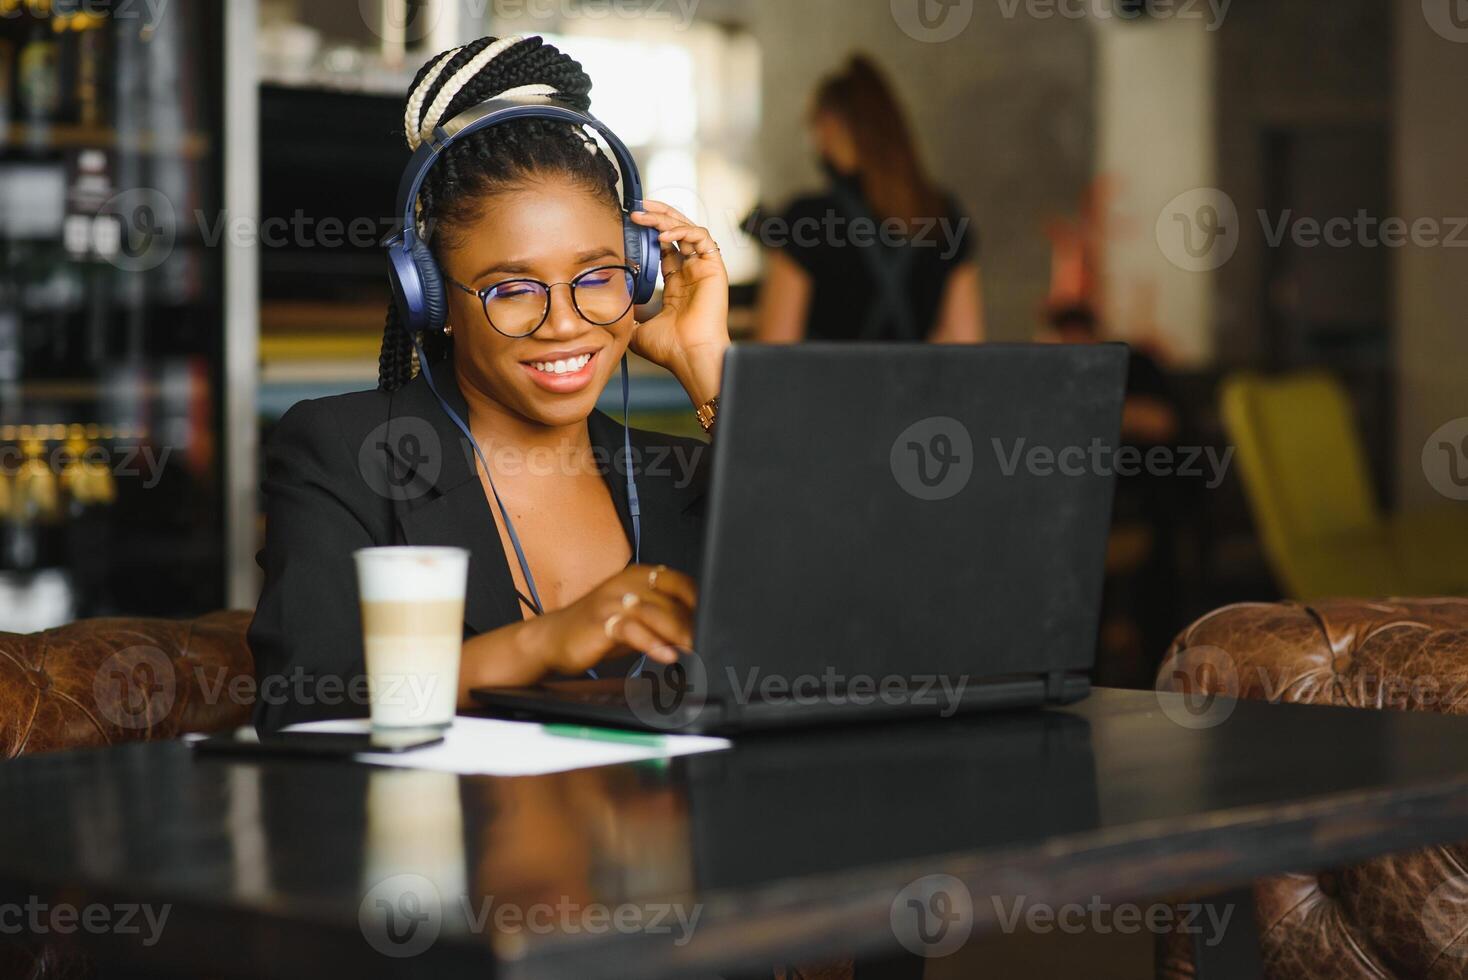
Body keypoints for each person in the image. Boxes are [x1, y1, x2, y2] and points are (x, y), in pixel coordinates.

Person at [248, 36, 730, 734]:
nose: (564, 324)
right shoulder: (344, 454)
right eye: (512, 289)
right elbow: (300, 703)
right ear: (431, 300)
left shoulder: (682, 475)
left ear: (641, 276)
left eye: (598, 277)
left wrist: (704, 360)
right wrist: (538, 643)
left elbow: (835, 629)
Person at [753, 55, 983, 344]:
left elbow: (775, 348)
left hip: (827, 388)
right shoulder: (943, 213)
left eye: (812, 125)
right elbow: (964, 340)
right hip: (913, 388)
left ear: (830, 125)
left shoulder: (806, 219)